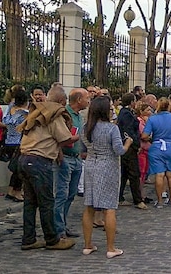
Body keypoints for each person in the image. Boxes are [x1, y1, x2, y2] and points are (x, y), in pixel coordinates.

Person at [18, 86, 77, 250]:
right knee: (46, 203)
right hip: (39, 161)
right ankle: (53, 239)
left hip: (24, 158)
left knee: (30, 203)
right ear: (61, 101)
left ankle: (28, 239)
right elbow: (65, 138)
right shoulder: (54, 115)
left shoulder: (37, 112)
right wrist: (78, 137)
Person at [81, 96, 133, 258]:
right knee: (109, 207)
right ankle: (111, 248)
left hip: (91, 165)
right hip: (107, 167)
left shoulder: (86, 127)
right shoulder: (111, 129)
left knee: (89, 206)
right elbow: (119, 150)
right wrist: (128, 143)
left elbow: (83, 149)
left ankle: (87, 244)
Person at [141, 97, 171, 208]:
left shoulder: (153, 119)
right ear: (168, 106)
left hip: (157, 147)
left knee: (159, 174)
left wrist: (151, 139)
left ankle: (160, 201)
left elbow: (144, 135)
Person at [55, 88, 89, 239]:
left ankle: (63, 224)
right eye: (87, 98)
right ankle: (58, 228)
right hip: (65, 157)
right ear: (79, 99)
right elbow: (62, 138)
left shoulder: (79, 116)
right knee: (61, 194)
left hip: (77, 157)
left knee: (70, 194)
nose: (89, 101)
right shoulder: (64, 114)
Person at [117, 93, 146, 209]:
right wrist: (136, 143)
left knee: (124, 173)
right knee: (134, 173)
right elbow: (129, 130)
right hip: (129, 146)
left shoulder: (126, 113)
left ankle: (119, 196)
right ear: (131, 102)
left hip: (128, 145)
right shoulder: (126, 114)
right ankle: (137, 200)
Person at [1, 88, 28, 202]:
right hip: (19, 143)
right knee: (20, 171)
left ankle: (11, 191)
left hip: (9, 141)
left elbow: (4, 121)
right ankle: (17, 192)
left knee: (16, 169)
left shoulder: (10, 108)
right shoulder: (24, 114)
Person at [135, 102, 153, 203]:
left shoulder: (147, 121)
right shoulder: (139, 121)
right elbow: (143, 135)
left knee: (145, 173)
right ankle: (140, 195)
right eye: (147, 110)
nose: (150, 112)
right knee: (141, 173)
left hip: (147, 149)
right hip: (142, 149)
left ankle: (142, 194)